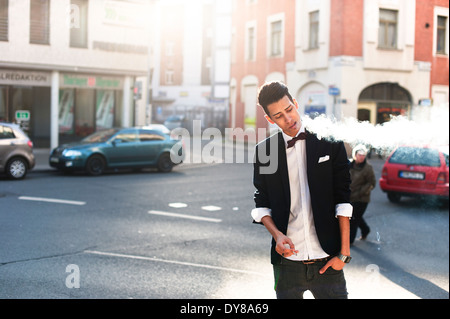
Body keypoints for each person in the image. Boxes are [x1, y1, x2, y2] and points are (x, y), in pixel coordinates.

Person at [251, 81, 353, 299]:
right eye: (278, 116)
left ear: (295, 103)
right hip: (286, 266)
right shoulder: (265, 151)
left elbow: (343, 198)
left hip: (328, 259)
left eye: (289, 109)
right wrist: (277, 235)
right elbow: (261, 202)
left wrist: (344, 254)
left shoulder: (330, 141)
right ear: (270, 119)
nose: (288, 119)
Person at [349, 144, 376, 244]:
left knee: (354, 219)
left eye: (363, 155)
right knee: (355, 216)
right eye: (360, 155)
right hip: (350, 196)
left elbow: (372, 183)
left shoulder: (368, 168)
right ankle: (365, 229)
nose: (362, 157)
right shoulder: (349, 165)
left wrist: (361, 192)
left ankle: (349, 241)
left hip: (361, 198)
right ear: (355, 155)